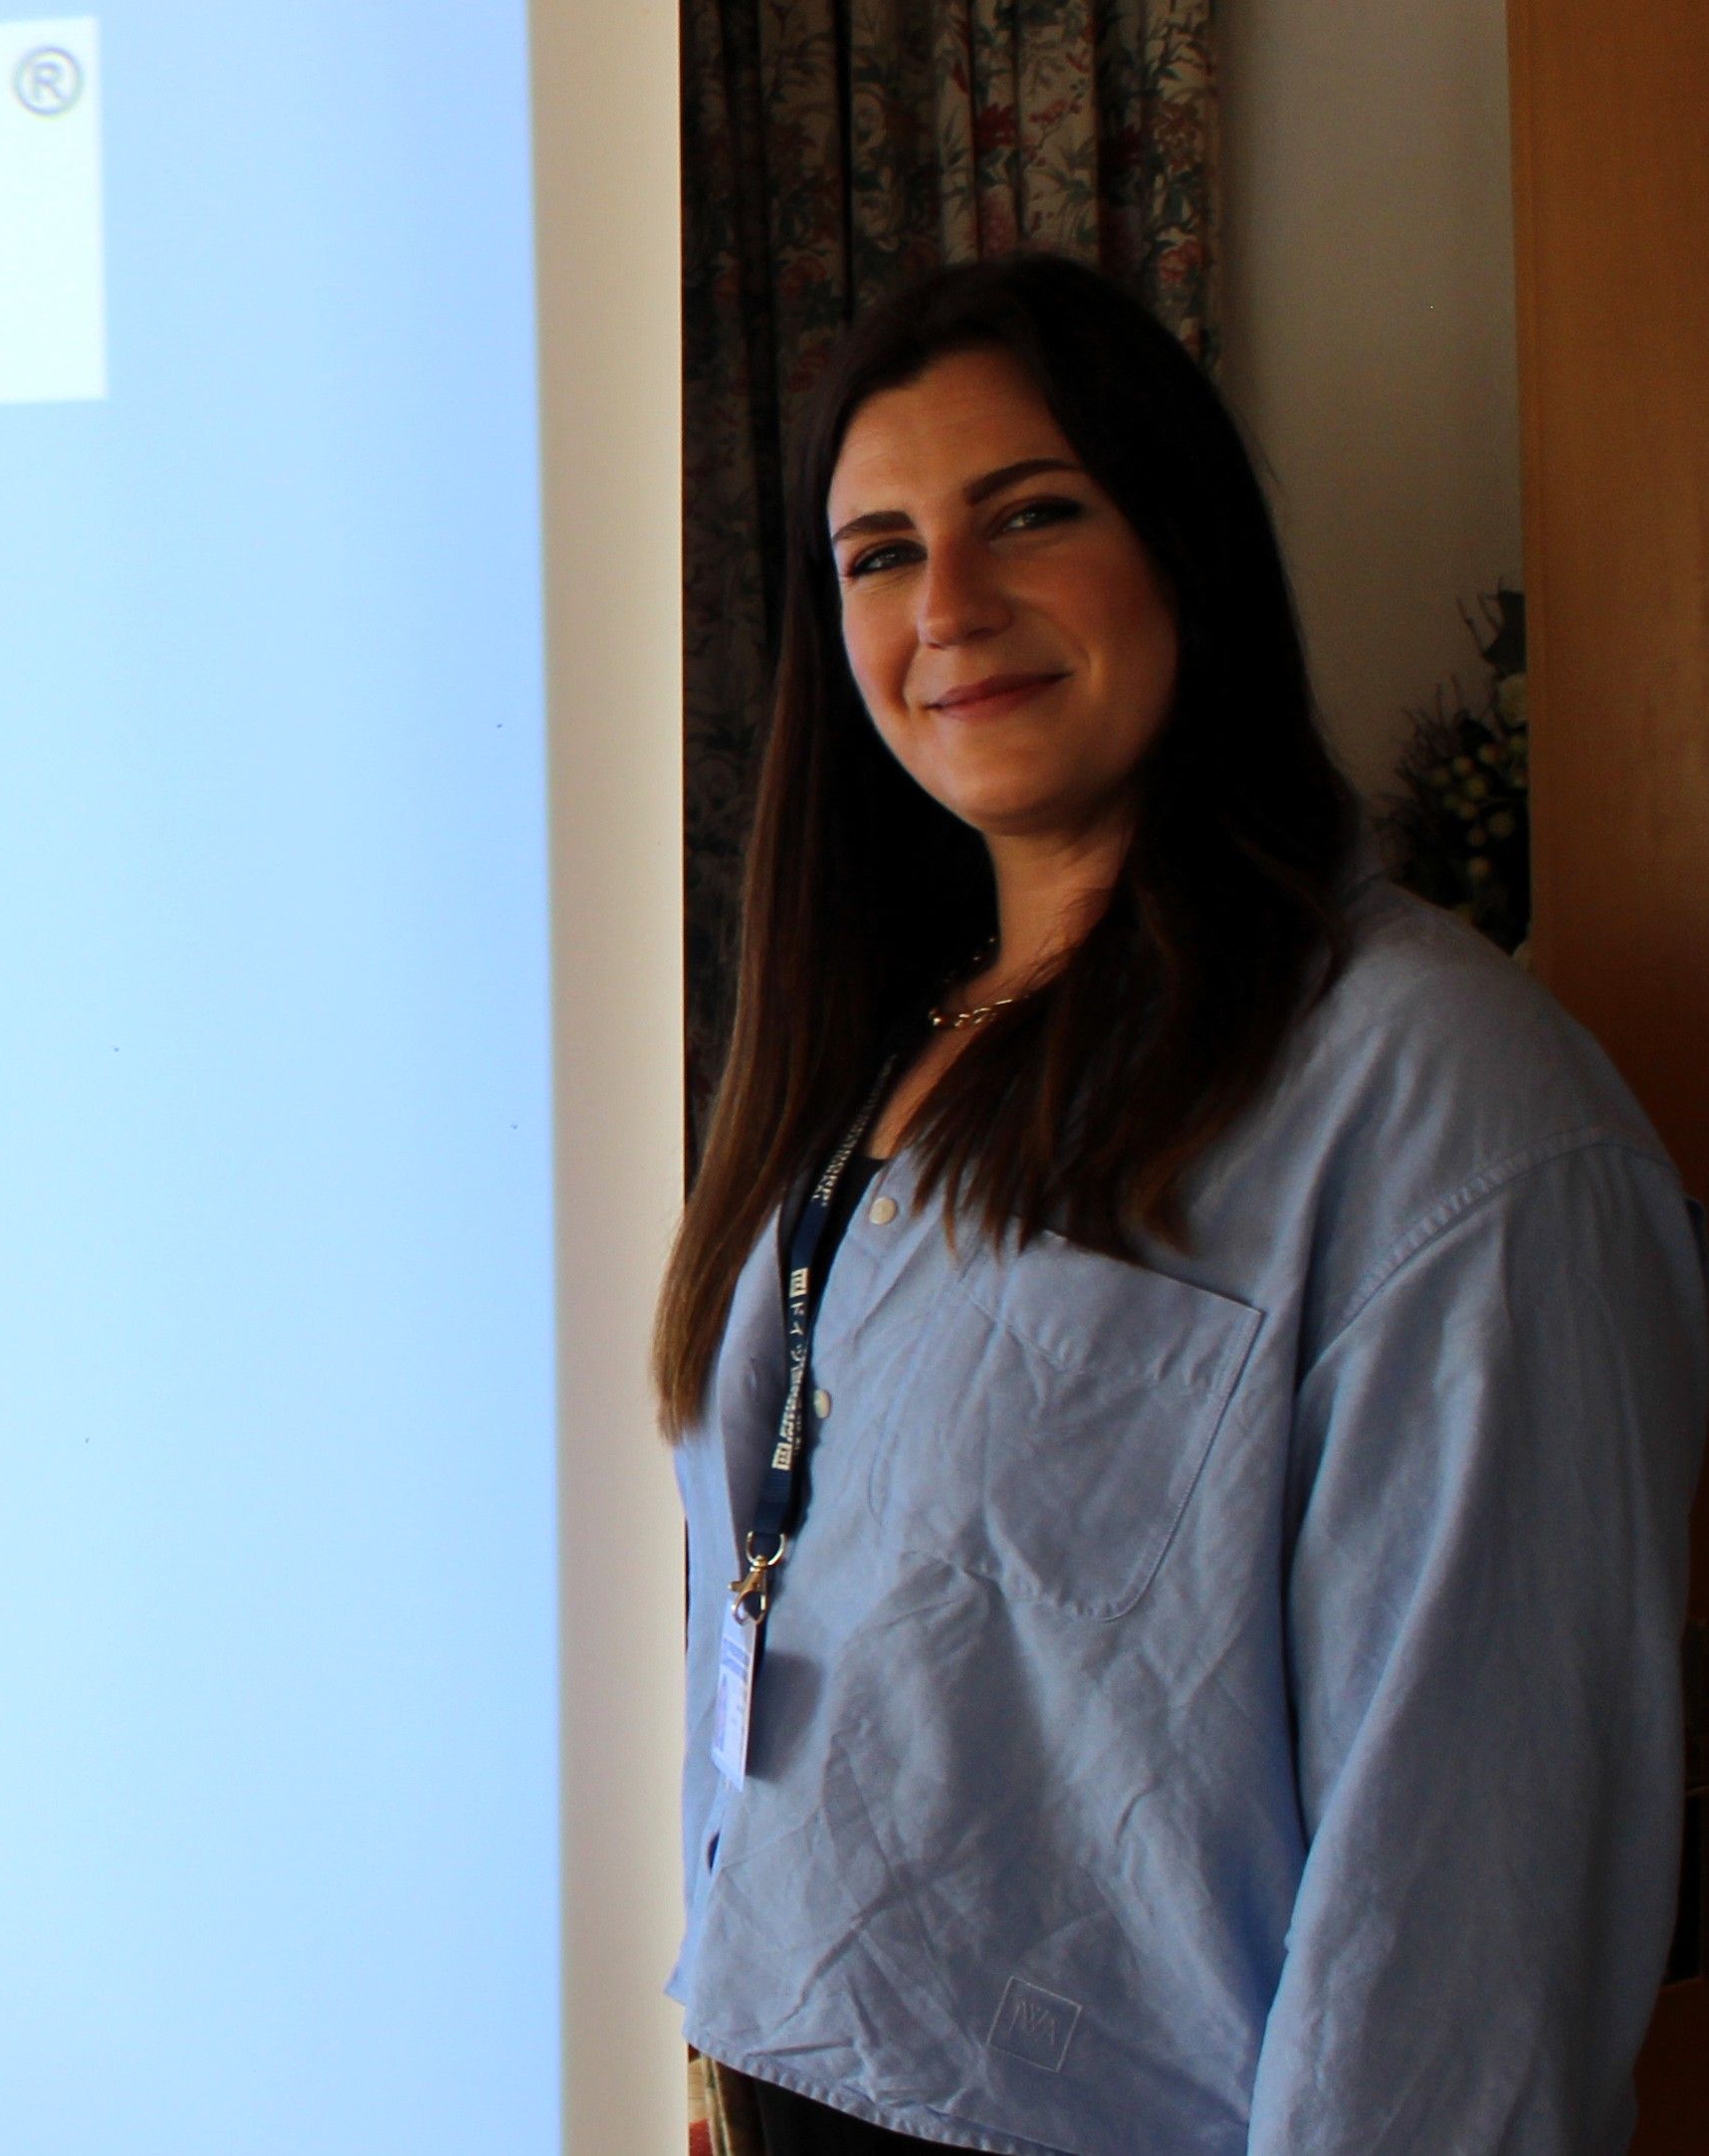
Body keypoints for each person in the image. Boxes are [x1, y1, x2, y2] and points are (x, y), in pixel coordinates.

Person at [659, 254, 1706, 2155]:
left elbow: (1465, 1904)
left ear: (1184, 545)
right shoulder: (877, 1046)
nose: (945, 606)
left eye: (1029, 515)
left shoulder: (1447, 1107)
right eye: (878, 554)